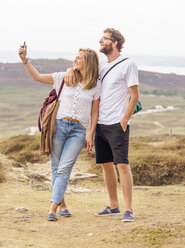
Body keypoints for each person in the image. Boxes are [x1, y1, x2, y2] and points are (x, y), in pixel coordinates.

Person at [64, 28, 139, 222]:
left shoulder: (128, 64)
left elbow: (135, 96)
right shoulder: (104, 66)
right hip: (101, 125)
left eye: (104, 39)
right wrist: (70, 69)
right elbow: (84, 73)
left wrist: (124, 121)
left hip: (117, 124)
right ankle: (113, 206)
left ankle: (128, 210)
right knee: (106, 165)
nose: (100, 41)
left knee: (122, 164)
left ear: (114, 43)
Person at [18, 45, 101, 221]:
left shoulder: (96, 85)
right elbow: (37, 77)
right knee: (56, 168)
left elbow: (95, 112)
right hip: (59, 126)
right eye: (76, 57)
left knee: (64, 168)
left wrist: (90, 134)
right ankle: (61, 205)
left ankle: (52, 209)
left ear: (89, 62)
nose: (75, 59)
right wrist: (25, 59)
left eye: (79, 57)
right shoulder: (63, 77)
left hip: (78, 131)